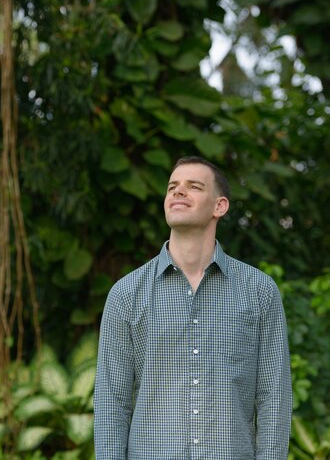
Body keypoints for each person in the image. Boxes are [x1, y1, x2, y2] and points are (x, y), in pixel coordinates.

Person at [94, 156, 292, 459]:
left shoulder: (259, 292)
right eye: (172, 186)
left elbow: (273, 397)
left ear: (219, 207)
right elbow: (112, 401)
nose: (178, 192)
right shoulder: (126, 294)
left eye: (194, 186)